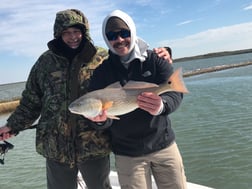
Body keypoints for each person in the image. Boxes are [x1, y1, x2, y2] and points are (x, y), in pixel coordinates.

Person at [0, 9, 171, 189]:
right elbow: (30, 101)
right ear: (58, 34)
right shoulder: (45, 62)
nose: (72, 37)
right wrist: (13, 125)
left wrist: (162, 54)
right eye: (66, 32)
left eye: (76, 31)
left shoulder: (103, 57)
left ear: (85, 32)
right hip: (55, 147)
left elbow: (134, 64)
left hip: (94, 144)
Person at [87, 10, 187, 189]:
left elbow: (175, 92)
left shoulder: (155, 59)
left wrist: (162, 106)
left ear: (133, 32)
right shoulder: (102, 73)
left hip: (163, 145)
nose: (119, 40)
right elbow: (101, 119)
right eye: (112, 36)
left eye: (124, 33)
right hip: (128, 154)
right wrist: (100, 122)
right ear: (106, 38)